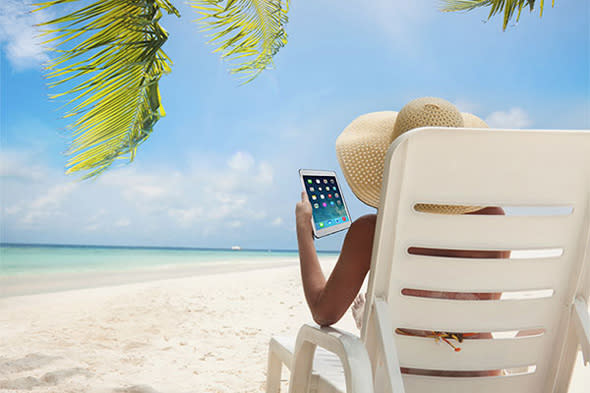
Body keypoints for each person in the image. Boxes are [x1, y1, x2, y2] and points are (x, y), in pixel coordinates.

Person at [295, 97, 508, 330]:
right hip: (479, 362)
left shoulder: (372, 232)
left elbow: (324, 314)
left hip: (397, 364)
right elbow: (482, 310)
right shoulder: (494, 220)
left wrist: (304, 229)